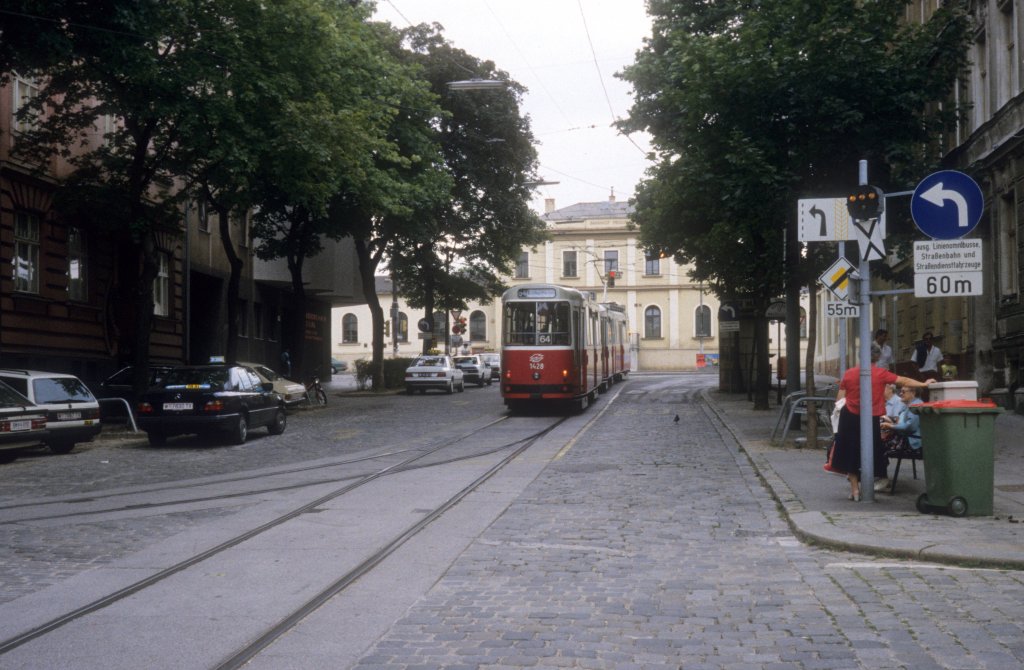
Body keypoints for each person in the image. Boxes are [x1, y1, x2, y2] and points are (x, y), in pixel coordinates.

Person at [832, 342, 935, 501]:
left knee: (850, 453)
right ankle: (870, 485)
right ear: (877, 357)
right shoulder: (881, 374)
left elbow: (839, 399)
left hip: (849, 417)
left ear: (861, 356)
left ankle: (855, 490)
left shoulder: (849, 373)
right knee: (872, 451)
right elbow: (904, 380)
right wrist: (923, 384)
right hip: (871, 417)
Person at [881, 386, 924, 454]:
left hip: (912, 443)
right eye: (901, 391)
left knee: (876, 445)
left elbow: (910, 427)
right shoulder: (910, 405)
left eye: (903, 392)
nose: (900, 394)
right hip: (906, 439)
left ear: (913, 393)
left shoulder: (916, 406)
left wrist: (890, 426)